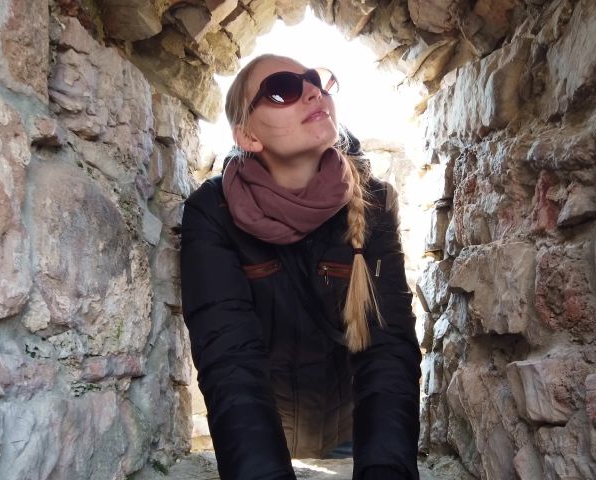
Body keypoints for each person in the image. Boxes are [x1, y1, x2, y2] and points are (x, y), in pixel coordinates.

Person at [179, 54, 421, 480]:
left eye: (317, 81)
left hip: (354, 426)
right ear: (248, 135)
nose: (313, 91)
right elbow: (229, 359)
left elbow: (387, 348)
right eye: (283, 88)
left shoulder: (375, 202)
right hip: (263, 433)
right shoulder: (212, 211)